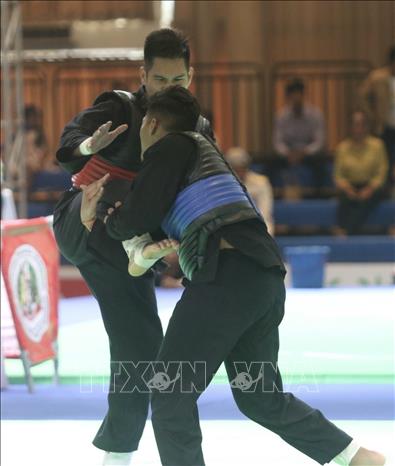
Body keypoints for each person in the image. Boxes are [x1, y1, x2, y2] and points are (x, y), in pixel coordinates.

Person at [83, 86, 385, 466]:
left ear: (153, 123)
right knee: (259, 396)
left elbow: (135, 218)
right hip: (262, 277)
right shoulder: (204, 160)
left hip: (226, 278)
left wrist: (106, 218)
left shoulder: (170, 146)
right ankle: (356, 457)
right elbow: (156, 245)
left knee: (169, 392)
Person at [53, 29, 213, 466]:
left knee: (142, 343)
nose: (169, 89)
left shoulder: (195, 127)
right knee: (140, 338)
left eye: (177, 81)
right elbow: (66, 149)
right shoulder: (118, 106)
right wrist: (90, 146)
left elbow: (196, 195)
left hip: (126, 234)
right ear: (143, 75)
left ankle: (117, 454)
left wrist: (190, 257)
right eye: (160, 80)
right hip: (81, 220)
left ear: (190, 77)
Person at [334, 110, 388, 235]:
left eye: (361, 124)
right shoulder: (342, 147)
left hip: (372, 186)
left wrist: (370, 188)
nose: (358, 128)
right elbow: (338, 175)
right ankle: (345, 230)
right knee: (344, 198)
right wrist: (348, 189)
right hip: (350, 186)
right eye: (355, 124)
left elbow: (382, 172)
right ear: (350, 127)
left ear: (367, 126)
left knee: (369, 199)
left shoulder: (378, 145)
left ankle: (346, 230)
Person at [273, 78, 326, 195]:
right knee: (270, 164)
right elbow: (277, 143)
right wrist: (288, 153)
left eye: (298, 95)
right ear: (288, 97)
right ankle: (275, 195)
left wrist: (305, 152)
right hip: (289, 154)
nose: (296, 98)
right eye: (293, 95)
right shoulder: (281, 116)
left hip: (308, 154)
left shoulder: (315, 115)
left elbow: (319, 142)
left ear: (303, 95)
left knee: (322, 165)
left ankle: (318, 196)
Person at [360, 45, 395, 180]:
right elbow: (362, 96)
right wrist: (372, 115)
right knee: (384, 159)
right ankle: (384, 188)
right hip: (384, 125)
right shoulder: (377, 77)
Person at [225, 146, 274, 235]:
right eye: (236, 169)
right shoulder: (222, 184)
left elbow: (264, 212)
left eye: (242, 169)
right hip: (231, 227)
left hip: (258, 224)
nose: (239, 173)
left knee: (267, 229)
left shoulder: (261, 182)